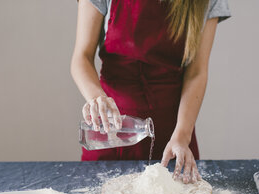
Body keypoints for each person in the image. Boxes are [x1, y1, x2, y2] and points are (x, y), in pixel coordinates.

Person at [71, 0, 231, 183]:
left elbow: (196, 72)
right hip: (111, 128)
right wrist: (96, 97)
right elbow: (81, 57)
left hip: (174, 132)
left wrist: (182, 136)